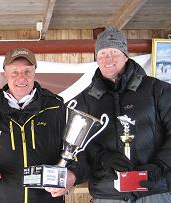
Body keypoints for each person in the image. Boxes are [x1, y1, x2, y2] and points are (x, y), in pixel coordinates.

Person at [72, 26, 171, 202]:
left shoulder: (157, 90)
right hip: (107, 193)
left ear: (126, 55)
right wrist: (103, 159)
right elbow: (80, 146)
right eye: (102, 53)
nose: (108, 58)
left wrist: (160, 166)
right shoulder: (84, 100)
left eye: (114, 52)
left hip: (155, 190)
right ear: (96, 58)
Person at [0, 48, 89, 203]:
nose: (21, 77)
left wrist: (73, 175)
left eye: (27, 71)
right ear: (4, 73)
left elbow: (78, 151)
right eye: (14, 72)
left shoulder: (55, 107)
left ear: (34, 73)